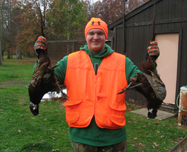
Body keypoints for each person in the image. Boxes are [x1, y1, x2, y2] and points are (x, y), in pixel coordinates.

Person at [30, 17, 160, 152]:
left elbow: (147, 84)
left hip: (114, 139)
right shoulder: (70, 61)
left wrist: (151, 63)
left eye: (100, 33)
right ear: (86, 36)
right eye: (91, 33)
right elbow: (40, 81)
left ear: (106, 36)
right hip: (82, 139)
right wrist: (40, 57)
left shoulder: (123, 62)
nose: (95, 37)